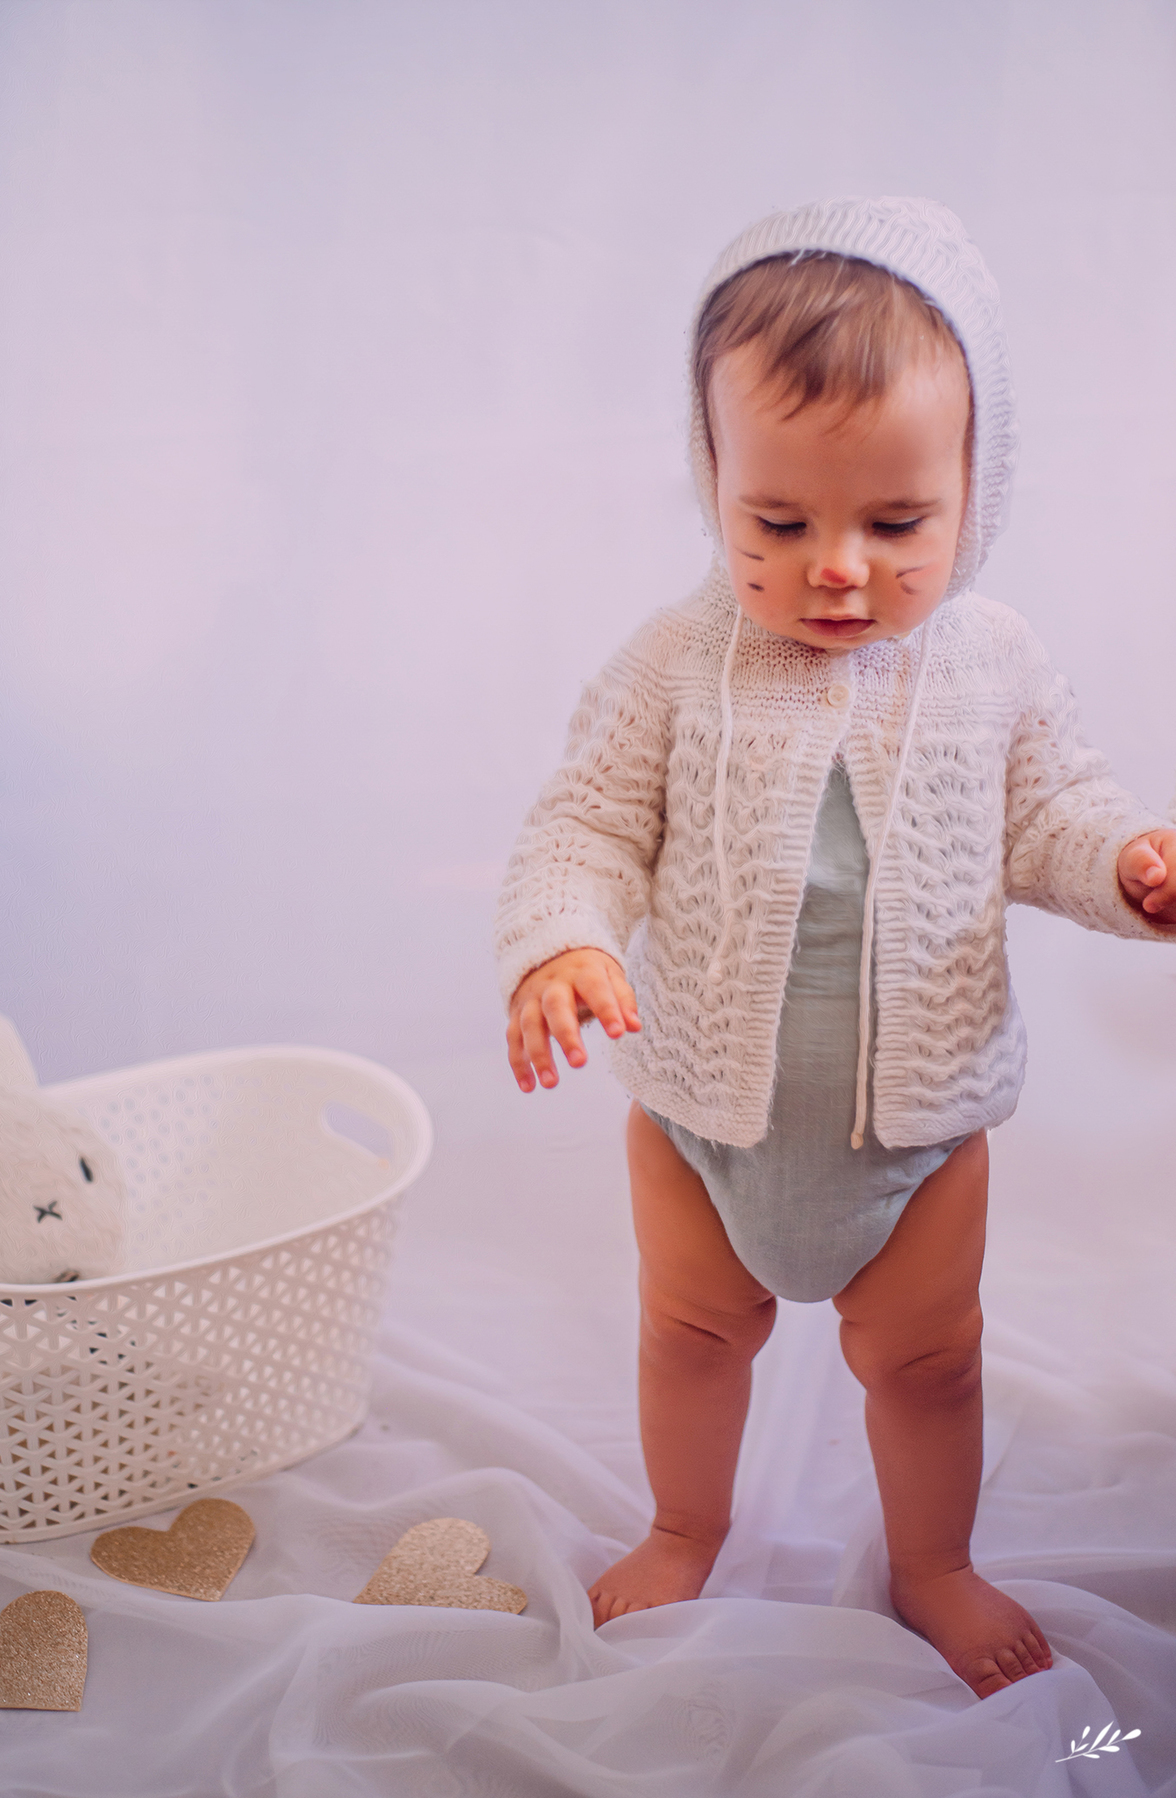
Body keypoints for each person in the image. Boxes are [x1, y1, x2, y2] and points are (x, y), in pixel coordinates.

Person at [493, 197, 1176, 1700]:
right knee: (689, 1332)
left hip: (914, 1138)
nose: (840, 567)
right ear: (714, 481)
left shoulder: (993, 660)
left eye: (896, 522)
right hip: (700, 1126)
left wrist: (1128, 864)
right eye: (780, 524)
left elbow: (1054, 811)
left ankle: (932, 1561)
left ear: (972, 490)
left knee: (930, 1362)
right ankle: (685, 1524)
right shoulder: (677, 660)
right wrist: (563, 941)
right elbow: (585, 823)